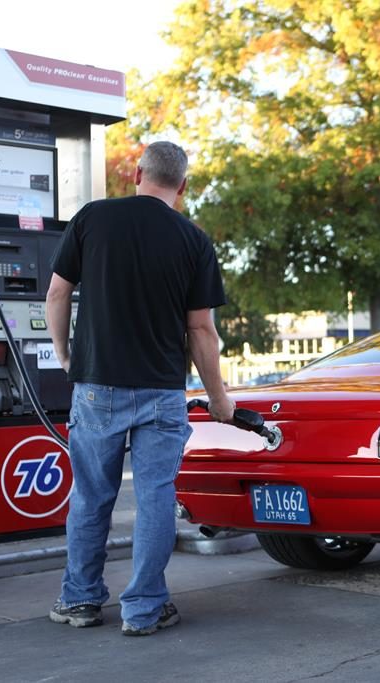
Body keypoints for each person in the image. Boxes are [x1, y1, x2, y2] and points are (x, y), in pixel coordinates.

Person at [44, 141, 235, 636]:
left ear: (137, 173)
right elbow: (201, 332)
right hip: (162, 391)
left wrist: (68, 358)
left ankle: (80, 601)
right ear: (183, 187)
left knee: (90, 497)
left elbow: (57, 294)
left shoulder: (92, 219)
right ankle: (144, 609)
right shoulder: (194, 241)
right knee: (154, 498)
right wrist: (218, 397)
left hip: (96, 385)